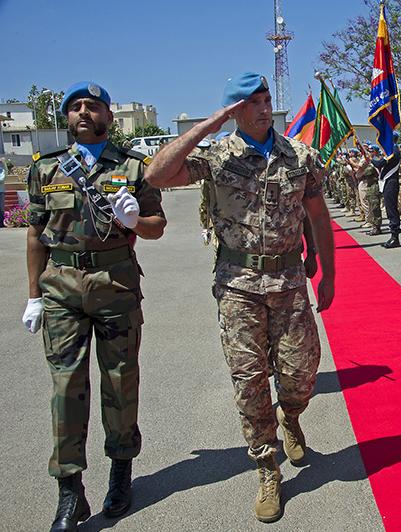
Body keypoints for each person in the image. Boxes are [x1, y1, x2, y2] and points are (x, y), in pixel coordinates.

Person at [144, 72, 335, 523]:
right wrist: (207, 127)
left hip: (289, 281)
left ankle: (291, 416)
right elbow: (156, 175)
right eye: (252, 102)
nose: (264, 108)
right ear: (234, 111)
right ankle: (267, 466)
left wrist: (329, 273)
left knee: (301, 374)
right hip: (237, 285)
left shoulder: (299, 155)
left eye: (266, 100)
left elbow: (318, 215)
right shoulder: (217, 156)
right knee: (249, 381)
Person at [22, 81, 167, 531]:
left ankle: (121, 472)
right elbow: (35, 233)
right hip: (62, 288)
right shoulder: (46, 168)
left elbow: (157, 226)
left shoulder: (133, 166)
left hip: (115, 284)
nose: (83, 112)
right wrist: (33, 296)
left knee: (120, 382)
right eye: (75, 107)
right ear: (67, 117)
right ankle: (70, 492)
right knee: (65, 388)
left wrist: (134, 220)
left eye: (92, 106)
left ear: (108, 115)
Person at [379, 132, 401, 248]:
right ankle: (393, 235)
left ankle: (395, 236)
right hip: (388, 182)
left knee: (392, 209)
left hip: (391, 182)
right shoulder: (390, 149)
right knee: (389, 209)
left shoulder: (392, 150)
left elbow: (379, 164)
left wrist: (369, 158)